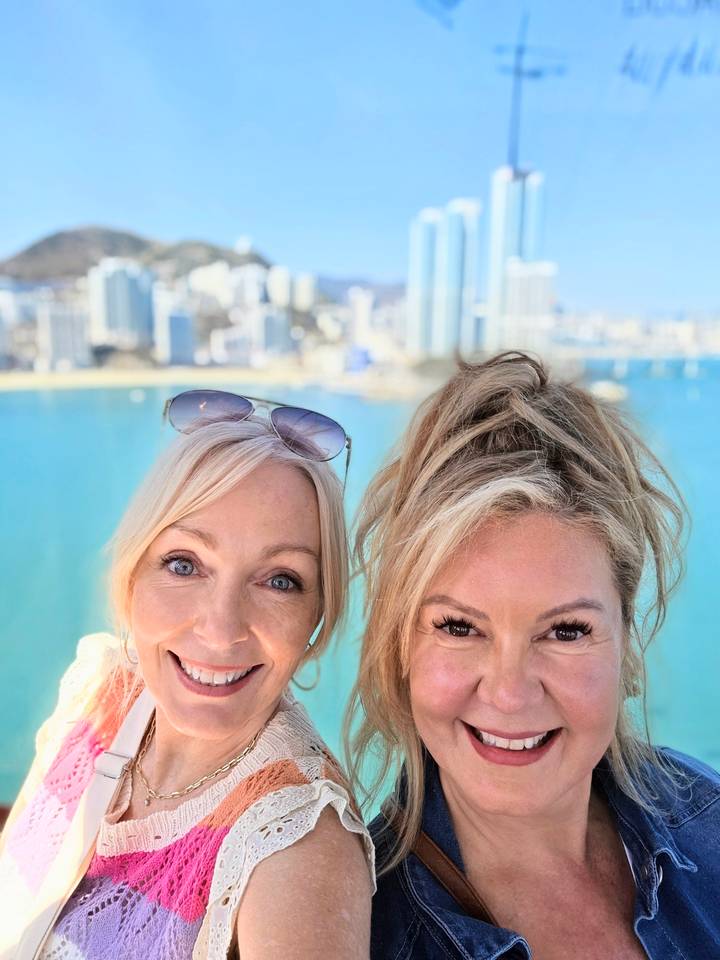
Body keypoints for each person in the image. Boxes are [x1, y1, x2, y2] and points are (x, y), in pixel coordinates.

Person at [348, 353, 720, 959]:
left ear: (625, 638)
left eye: (566, 631)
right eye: (459, 627)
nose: (510, 693)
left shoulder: (707, 821)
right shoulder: (355, 933)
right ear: (399, 644)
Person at [1, 390, 374, 960]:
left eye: (280, 580)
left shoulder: (295, 846)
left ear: (316, 619)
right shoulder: (94, 698)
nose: (221, 630)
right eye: (184, 564)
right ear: (133, 575)